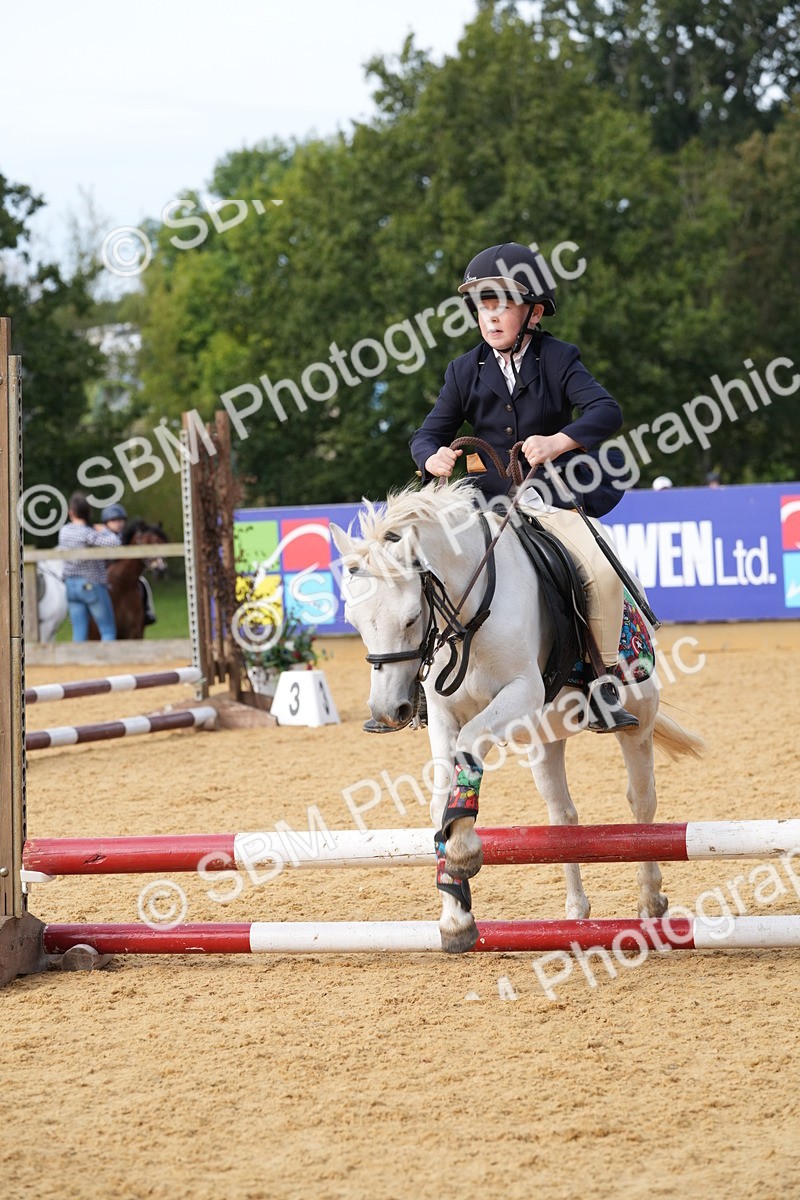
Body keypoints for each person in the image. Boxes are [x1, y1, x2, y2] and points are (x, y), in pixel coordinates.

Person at [401, 240, 639, 735]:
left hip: (551, 500)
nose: (491, 316)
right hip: (485, 509)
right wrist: (432, 455)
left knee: (602, 570)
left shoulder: (558, 358)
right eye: (484, 305)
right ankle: (428, 683)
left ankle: (602, 681)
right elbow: (426, 433)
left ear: (531, 311)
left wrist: (558, 440)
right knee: (427, 574)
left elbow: (606, 411)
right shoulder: (463, 370)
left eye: (502, 303)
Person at [57, 492, 121, 641]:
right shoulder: (88, 533)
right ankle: (108, 662)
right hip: (91, 584)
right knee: (107, 629)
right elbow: (115, 543)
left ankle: (77, 663)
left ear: (70, 512)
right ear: (88, 513)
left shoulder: (64, 531)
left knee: (79, 631)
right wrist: (104, 530)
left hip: (70, 585)